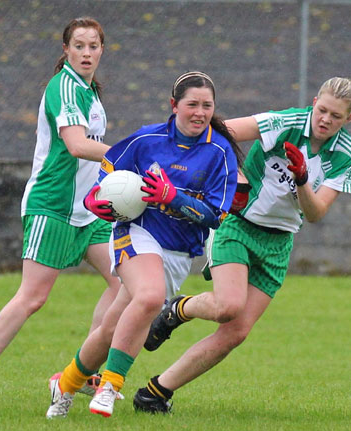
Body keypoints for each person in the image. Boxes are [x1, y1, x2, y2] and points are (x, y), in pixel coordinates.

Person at [135, 77, 351, 413]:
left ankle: (155, 393)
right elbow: (219, 130)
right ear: (314, 102)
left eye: (336, 116)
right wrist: (233, 175)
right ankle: (178, 310)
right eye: (322, 110)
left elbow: (315, 213)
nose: (325, 119)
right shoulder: (285, 123)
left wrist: (302, 180)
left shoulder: (346, 154)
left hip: (279, 243)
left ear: (348, 120)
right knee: (227, 306)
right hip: (238, 225)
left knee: (235, 333)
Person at [45, 71, 244, 419]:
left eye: (207, 106)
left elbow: (215, 215)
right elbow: (109, 168)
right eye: (192, 105)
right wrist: (96, 198)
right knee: (151, 298)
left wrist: (174, 197)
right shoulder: (147, 139)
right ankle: (110, 386)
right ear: (174, 106)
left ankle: (64, 386)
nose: (199, 112)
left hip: (180, 252)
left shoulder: (220, 153)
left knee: (112, 328)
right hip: (136, 232)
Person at [0, 17, 121, 402]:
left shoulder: (89, 89)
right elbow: (78, 145)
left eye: (93, 46)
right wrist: (127, 153)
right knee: (33, 297)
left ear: (102, 50)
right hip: (54, 206)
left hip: (90, 210)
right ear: (65, 50)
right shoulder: (63, 87)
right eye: (78, 45)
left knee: (126, 284)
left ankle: (81, 373)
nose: (86, 52)